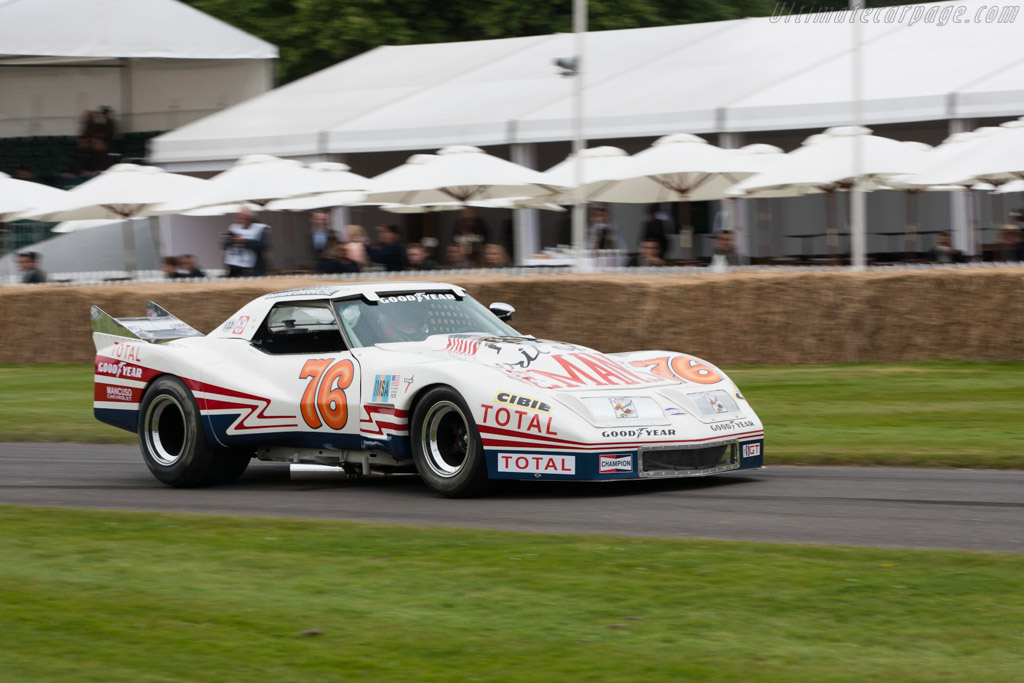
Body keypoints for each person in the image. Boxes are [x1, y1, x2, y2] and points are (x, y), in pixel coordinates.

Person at [222, 210, 271, 277]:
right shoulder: (233, 228)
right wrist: (231, 239)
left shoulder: (260, 229)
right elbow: (224, 245)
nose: (238, 221)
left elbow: (264, 246)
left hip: (253, 267)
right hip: (235, 266)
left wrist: (245, 241)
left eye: (241, 218)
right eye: (237, 218)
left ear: (249, 219)